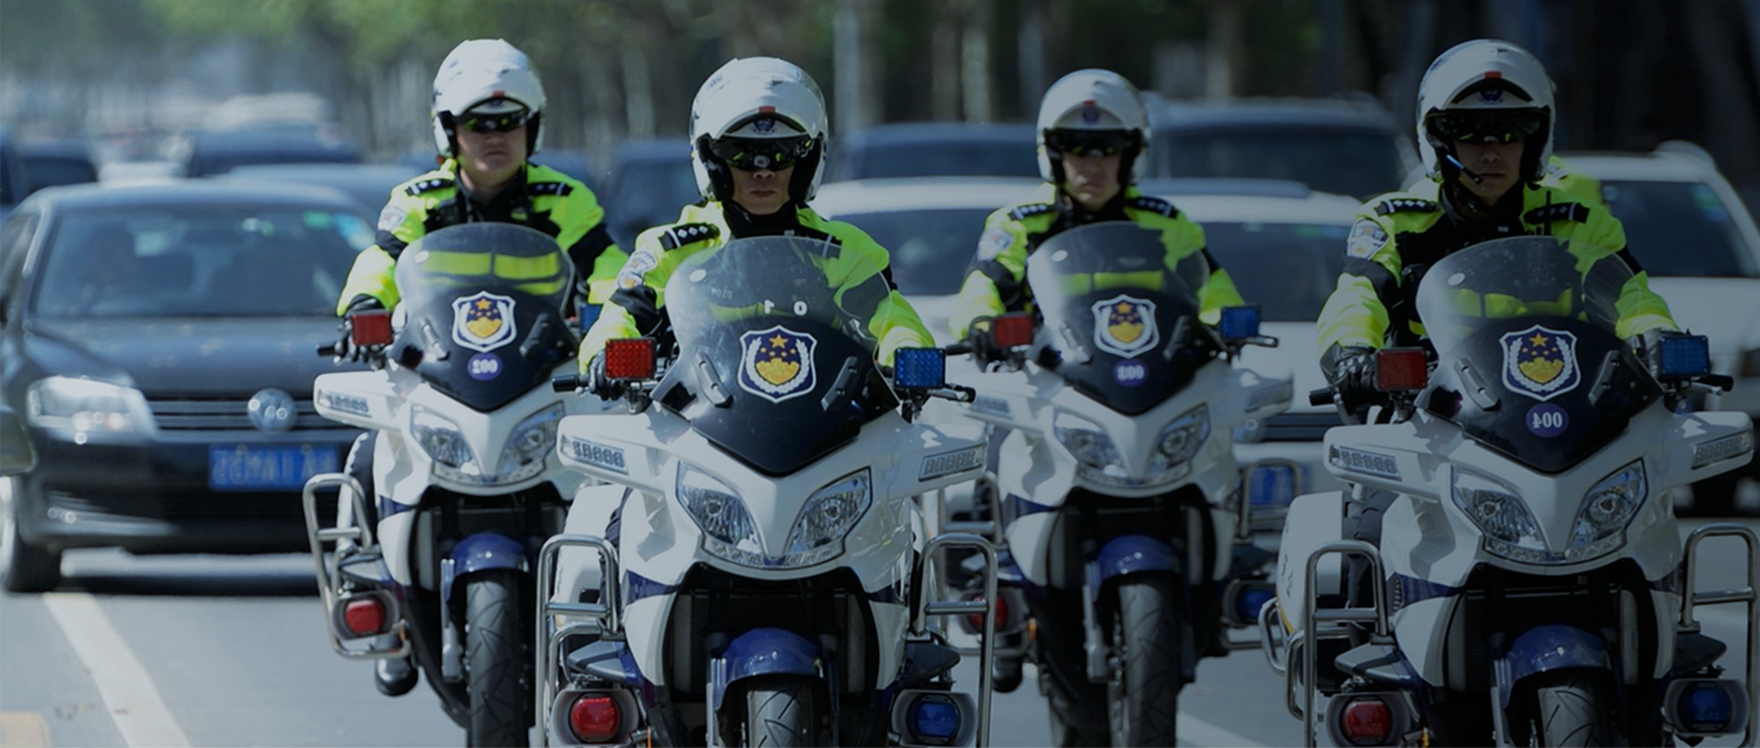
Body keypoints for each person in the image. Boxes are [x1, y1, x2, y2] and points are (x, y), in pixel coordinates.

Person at [1314, 39, 1678, 616]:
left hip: (1564, 424)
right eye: (1470, 133)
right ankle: (1367, 667)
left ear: (1536, 139)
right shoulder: (1394, 221)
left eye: (1511, 132)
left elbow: (1632, 295)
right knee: (1370, 536)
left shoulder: (1579, 221)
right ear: (1438, 141)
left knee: (1646, 526)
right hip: (1431, 423)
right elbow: (1356, 295)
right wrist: (1352, 352)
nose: (1491, 151)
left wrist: (1658, 337)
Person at [332, 38, 626, 698]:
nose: (495, 136)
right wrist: (363, 306)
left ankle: (601, 613)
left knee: (613, 474)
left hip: (541, 376)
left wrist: (616, 319)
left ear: (532, 127)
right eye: (479, 123)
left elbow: (608, 266)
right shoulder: (418, 200)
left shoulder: (565, 199)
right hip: (441, 375)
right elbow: (380, 261)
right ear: (450, 130)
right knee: (367, 455)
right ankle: (386, 607)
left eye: (509, 121)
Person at [576, 56, 932, 380]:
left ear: (808, 162)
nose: (763, 171)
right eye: (742, 154)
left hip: (830, 421)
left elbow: (892, 318)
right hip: (695, 420)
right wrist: (604, 353)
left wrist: (906, 348)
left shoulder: (846, 251)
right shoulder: (670, 249)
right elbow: (621, 314)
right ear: (711, 161)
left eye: (781, 154)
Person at [946, 68, 1245, 343]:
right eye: (1076, 147)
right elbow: (981, 288)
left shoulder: (1166, 223)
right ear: (1053, 154)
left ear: (1131, 155)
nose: (1092, 165)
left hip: (1155, 372)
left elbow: (1215, 292)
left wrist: (1221, 322)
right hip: (1043, 369)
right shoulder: (1019, 223)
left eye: (1109, 149)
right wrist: (981, 324)